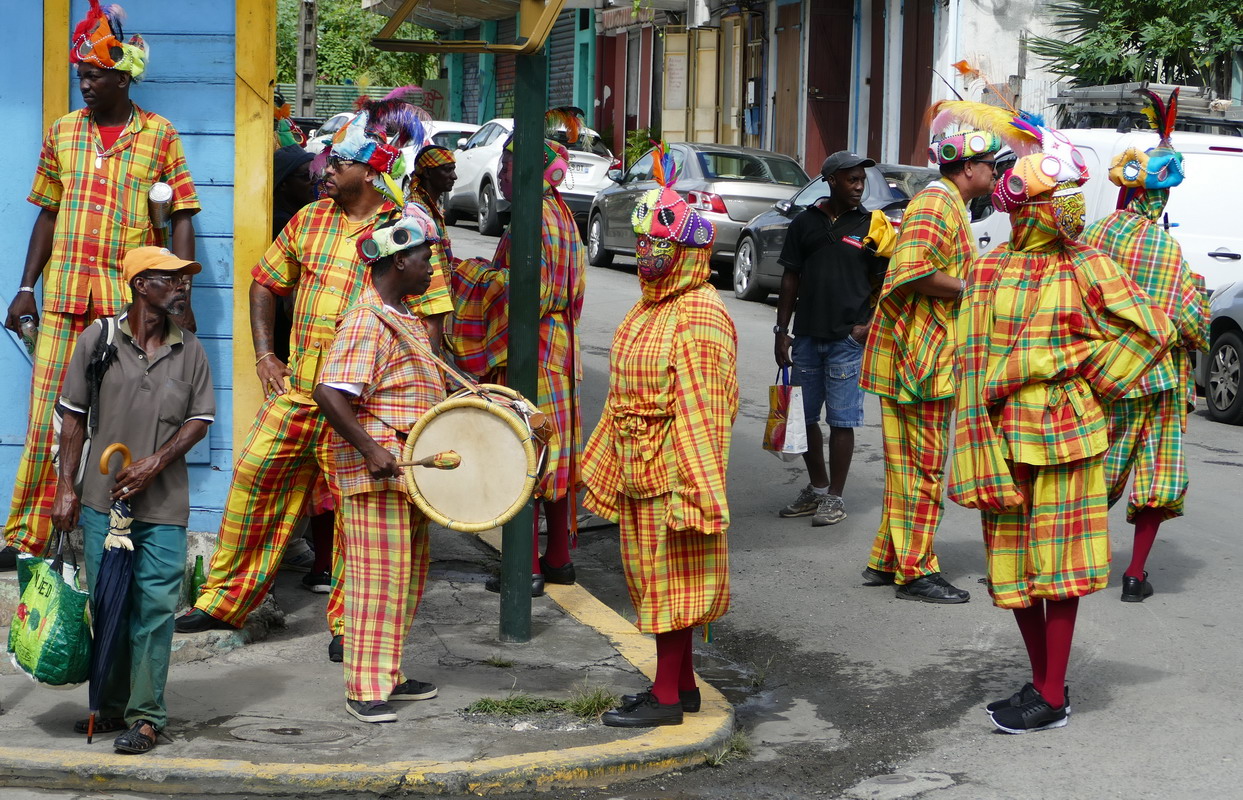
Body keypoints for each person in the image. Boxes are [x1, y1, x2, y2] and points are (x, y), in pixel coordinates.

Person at [949, 110, 1173, 733]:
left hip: (1070, 436)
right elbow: (969, 361)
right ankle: (1047, 680)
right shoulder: (991, 269)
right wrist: (973, 437)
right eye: (1058, 201)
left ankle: (1049, 694)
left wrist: (1091, 378)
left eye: (1072, 199)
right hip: (1004, 436)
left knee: (1062, 566)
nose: (1070, 211)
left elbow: (1151, 328)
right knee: (1014, 568)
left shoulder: (1091, 265)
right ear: (1024, 209)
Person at [175, 102, 420, 667]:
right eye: (327, 159)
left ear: (370, 169)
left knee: (359, 517)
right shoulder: (309, 219)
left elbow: (427, 321)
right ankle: (225, 600)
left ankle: (351, 628)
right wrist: (266, 354)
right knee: (254, 480)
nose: (323, 168)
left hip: (364, 406)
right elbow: (265, 281)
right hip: (300, 392)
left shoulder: (402, 230)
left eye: (339, 161)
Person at [3, 0, 199, 568]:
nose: (84, 85)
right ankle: (28, 535)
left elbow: (182, 215)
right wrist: (24, 288)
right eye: (80, 76)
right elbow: (46, 213)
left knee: (119, 420)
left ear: (123, 75)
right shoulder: (63, 132)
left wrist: (178, 296)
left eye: (93, 76)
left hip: (127, 307)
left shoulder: (160, 136)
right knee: (50, 419)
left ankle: (114, 530)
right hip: (64, 299)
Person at [583, 146, 738, 727]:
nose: (648, 254)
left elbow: (705, 414)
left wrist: (697, 492)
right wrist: (597, 462)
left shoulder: (698, 316)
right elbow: (621, 396)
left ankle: (667, 698)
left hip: (673, 474)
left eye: (660, 245)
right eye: (643, 242)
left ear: (690, 252)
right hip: (640, 468)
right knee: (652, 578)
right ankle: (685, 684)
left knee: (672, 583)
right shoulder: (650, 308)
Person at [51, 246, 214, 754]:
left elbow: (199, 422)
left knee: (154, 608)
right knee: (109, 605)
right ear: (141, 285)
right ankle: (113, 705)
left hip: (163, 507)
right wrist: (64, 488)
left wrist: (153, 464)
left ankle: (146, 718)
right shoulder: (97, 340)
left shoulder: (190, 349)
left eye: (184, 278)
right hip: (102, 504)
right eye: (170, 278)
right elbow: (73, 418)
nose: (181, 286)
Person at [859, 116, 1003, 603]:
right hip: (921, 358)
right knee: (922, 467)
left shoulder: (950, 202)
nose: (995, 173)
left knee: (909, 465)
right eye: (989, 165)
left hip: (929, 354)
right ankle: (916, 572)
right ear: (967, 168)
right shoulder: (937, 202)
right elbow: (913, 271)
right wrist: (974, 287)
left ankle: (886, 559)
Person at [313, 207, 444, 723]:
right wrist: (372, 449)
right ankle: (365, 688)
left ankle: (387, 673)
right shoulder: (368, 322)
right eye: (423, 256)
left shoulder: (399, 317)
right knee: (376, 579)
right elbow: (329, 392)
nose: (431, 265)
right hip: (377, 476)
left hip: (405, 474)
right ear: (397, 263)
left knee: (406, 576)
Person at [1082, 90, 1209, 604]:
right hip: (1158, 379)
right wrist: (1197, 300)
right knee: (1157, 474)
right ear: (1157, 199)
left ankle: (1076, 560)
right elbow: (1190, 321)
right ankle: (1134, 575)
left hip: (1104, 374)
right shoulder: (1165, 246)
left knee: (1095, 471)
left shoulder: (1093, 235)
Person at [452, 134, 585, 597]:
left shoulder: (533, 215)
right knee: (555, 451)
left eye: (509, 167)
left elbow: (533, 290)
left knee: (524, 453)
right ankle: (559, 560)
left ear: (530, 173)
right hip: (559, 350)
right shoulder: (562, 213)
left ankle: (525, 567)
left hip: (532, 350)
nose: (503, 175)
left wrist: (470, 276)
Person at [774, 151, 887, 527]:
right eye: (852, 180)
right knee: (804, 419)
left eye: (862, 180)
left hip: (848, 339)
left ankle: (835, 498)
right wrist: (782, 332)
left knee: (841, 421)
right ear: (832, 181)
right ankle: (817, 488)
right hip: (806, 337)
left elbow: (890, 279)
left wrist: (868, 325)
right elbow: (790, 278)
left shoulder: (873, 225)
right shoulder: (804, 223)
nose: (859, 187)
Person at [405, 145, 458, 353]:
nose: (454, 176)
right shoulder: (416, 211)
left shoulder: (432, 208)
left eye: (453, 168)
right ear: (427, 172)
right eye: (447, 169)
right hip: (425, 309)